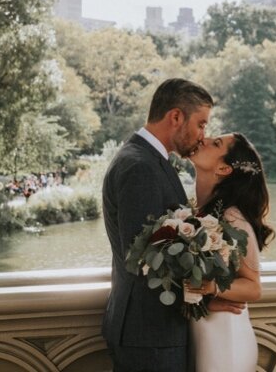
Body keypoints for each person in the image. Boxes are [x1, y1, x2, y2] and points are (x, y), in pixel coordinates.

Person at [101, 77, 238, 372]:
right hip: (148, 335)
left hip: (150, 331)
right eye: (201, 124)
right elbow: (142, 260)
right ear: (176, 117)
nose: (203, 135)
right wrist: (200, 301)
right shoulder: (141, 167)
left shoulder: (148, 160)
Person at [186, 132, 272, 372]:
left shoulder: (231, 218)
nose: (202, 139)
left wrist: (210, 288)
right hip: (203, 333)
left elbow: (253, 287)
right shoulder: (194, 212)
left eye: (216, 144)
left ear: (224, 169)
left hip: (225, 341)